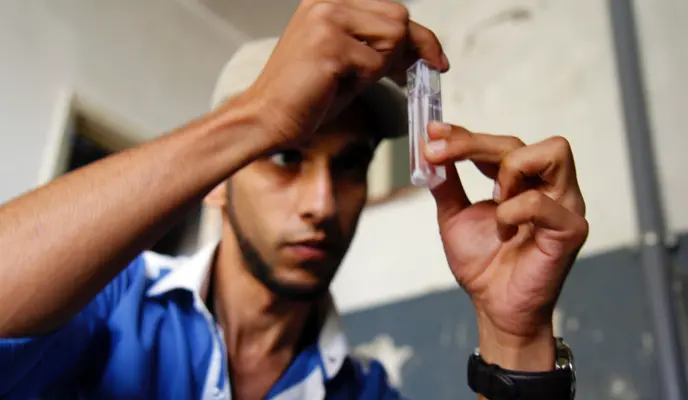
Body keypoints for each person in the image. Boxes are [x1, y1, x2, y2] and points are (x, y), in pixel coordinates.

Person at [0, 0, 588, 399]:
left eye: (350, 164)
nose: (323, 202)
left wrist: (515, 334)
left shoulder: (363, 391)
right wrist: (256, 118)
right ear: (218, 181)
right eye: (285, 156)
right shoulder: (114, 304)